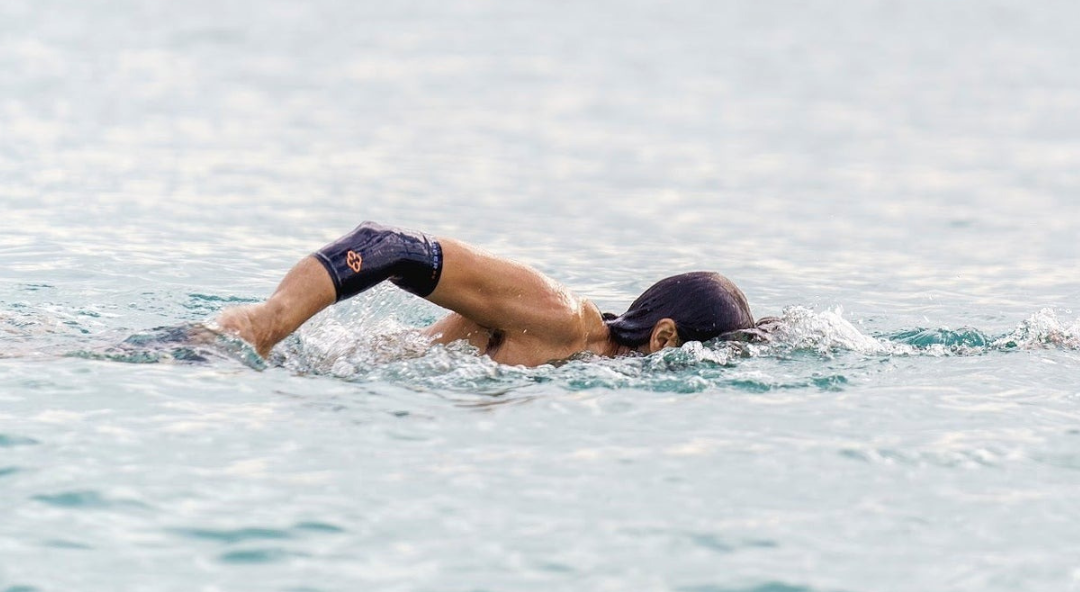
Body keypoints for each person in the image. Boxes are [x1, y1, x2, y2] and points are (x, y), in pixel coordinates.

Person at [217, 221, 770, 367]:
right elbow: (388, 246)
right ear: (665, 337)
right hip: (264, 363)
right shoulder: (560, 318)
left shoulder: (586, 362)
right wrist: (267, 323)